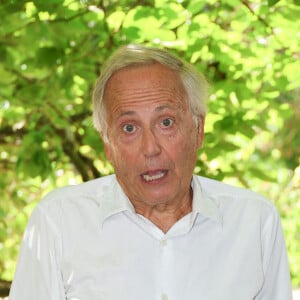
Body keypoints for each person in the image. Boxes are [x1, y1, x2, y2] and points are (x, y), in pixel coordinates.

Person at [9, 44, 292, 300]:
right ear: (107, 144)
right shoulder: (59, 221)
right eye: (129, 128)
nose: (150, 148)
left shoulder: (254, 222)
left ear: (198, 130)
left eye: (166, 122)